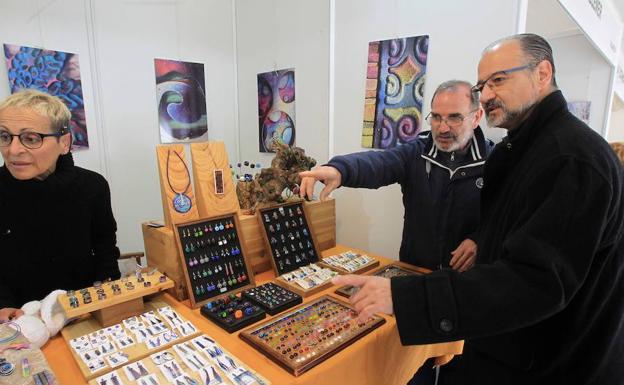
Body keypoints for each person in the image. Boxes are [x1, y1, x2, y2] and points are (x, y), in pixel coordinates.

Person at [334, 33, 624, 385]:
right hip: (476, 318)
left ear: (543, 73)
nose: (486, 94)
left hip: (543, 361)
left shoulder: (569, 158)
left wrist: (406, 297)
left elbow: (534, 281)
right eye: (483, 84)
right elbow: (381, 164)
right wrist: (339, 169)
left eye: (499, 80)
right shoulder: (522, 150)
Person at [300, 80, 493, 272]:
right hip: (415, 273)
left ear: (476, 117)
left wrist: (480, 239)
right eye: (436, 117)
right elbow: (380, 163)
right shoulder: (416, 152)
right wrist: (340, 170)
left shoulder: (495, 160)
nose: (442, 128)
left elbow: (507, 218)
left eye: (454, 118)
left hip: (466, 281)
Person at [0, 89, 121, 322]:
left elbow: (105, 246)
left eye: (31, 138)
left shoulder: (92, 186)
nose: (13, 150)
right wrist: (3, 305)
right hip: (18, 319)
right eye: (5, 136)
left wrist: (107, 291)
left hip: (83, 312)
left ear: (64, 142)